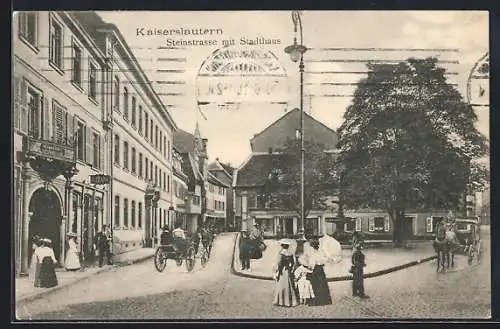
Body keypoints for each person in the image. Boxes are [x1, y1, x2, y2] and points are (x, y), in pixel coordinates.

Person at [272, 239, 299, 307]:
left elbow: (279, 263)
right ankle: (290, 301)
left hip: (283, 270)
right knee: (289, 285)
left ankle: (281, 301)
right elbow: (293, 263)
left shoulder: (281, 253)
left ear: (282, 246)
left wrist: (277, 271)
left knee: (281, 285)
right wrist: (290, 268)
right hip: (288, 270)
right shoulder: (290, 253)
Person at [306, 238, 332, 306]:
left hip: (316, 270)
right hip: (321, 269)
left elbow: (312, 265)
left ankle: (317, 301)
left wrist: (309, 268)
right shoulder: (321, 253)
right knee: (322, 284)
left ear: (312, 247)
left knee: (316, 285)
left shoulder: (313, 255)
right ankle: (325, 300)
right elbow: (325, 260)